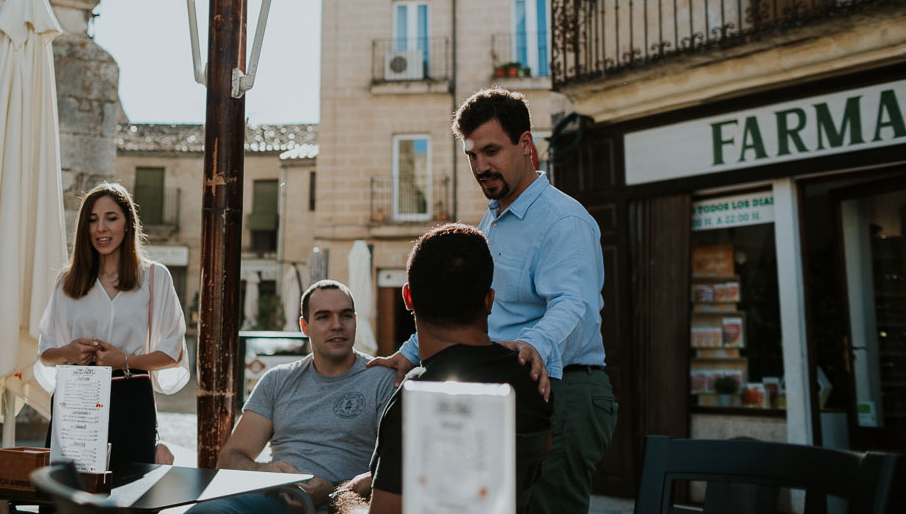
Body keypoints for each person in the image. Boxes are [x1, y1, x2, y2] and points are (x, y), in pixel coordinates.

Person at [370, 88, 617, 514]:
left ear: (526, 145)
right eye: (471, 156)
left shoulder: (564, 220)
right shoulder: (495, 217)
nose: (480, 166)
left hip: (567, 387)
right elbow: (481, 307)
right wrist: (409, 353)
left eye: (490, 150)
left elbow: (574, 305)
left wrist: (536, 344)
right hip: (514, 386)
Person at [348, 223, 553, 514]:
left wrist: (342, 501)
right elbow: (540, 447)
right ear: (489, 301)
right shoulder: (532, 377)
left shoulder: (416, 397)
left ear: (408, 297)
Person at [189, 280, 396, 514]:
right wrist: (266, 472)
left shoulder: (382, 379)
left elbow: (396, 468)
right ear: (304, 327)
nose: (337, 325)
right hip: (273, 499)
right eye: (323, 317)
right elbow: (229, 459)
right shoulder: (277, 380)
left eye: (346, 316)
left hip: (344, 505)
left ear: (355, 321)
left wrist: (336, 490)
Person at [35, 182, 189, 476]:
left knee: (128, 495)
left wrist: (125, 360)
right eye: (92, 219)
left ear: (128, 223)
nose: (101, 228)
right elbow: (46, 354)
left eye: (111, 218)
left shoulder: (156, 278)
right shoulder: (66, 282)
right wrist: (69, 351)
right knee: (67, 499)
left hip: (131, 399)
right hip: (76, 401)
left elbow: (174, 353)